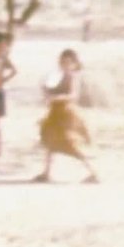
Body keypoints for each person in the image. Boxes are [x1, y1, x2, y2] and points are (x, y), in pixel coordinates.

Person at [34, 49, 99, 183]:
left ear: (75, 63)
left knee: (71, 144)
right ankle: (46, 173)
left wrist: (56, 97)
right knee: (50, 141)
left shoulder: (73, 77)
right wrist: (46, 92)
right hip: (55, 112)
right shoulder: (58, 76)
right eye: (62, 61)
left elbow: (73, 95)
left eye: (68, 62)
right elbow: (50, 90)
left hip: (66, 113)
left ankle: (94, 172)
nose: (64, 64)